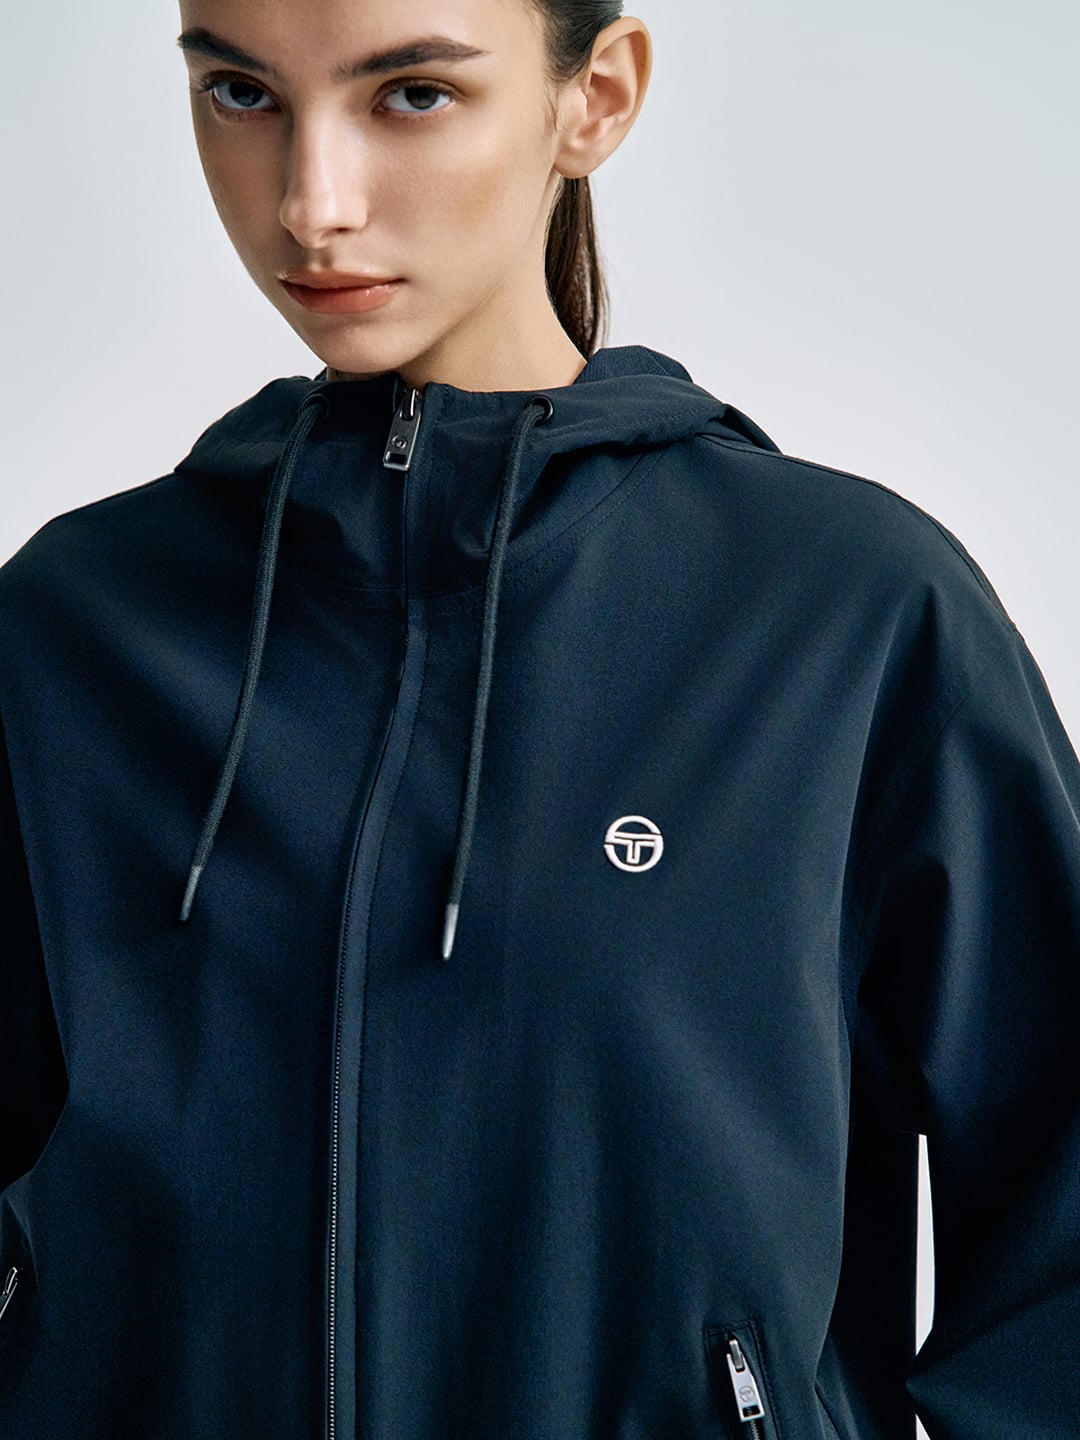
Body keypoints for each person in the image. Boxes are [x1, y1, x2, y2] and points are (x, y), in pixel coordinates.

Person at [1, 0, 1077, 1436]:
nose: (312, 204)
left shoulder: (844, 612)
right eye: (244, 94)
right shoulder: (72, 629)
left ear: (596, 96)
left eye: (412, 95)